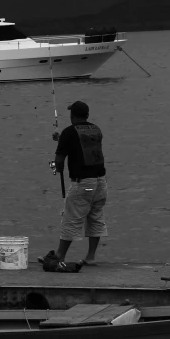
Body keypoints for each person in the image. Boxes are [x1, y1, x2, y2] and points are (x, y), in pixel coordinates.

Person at [51, 101, 107, 265]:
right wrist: (62, 140)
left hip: (83, 183)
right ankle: (90, 257)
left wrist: (57, 168)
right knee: (96, 218)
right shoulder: (96, 130)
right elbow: (82, 145)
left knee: (71, 218)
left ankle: (60, 256)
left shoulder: (69, 132)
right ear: (87, 115)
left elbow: (59, 161)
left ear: (72, 115)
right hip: (100, 182)